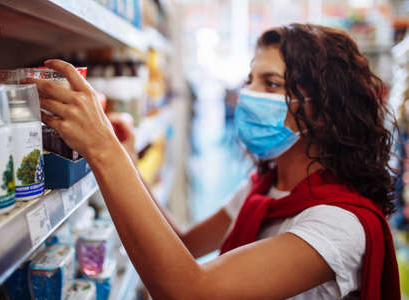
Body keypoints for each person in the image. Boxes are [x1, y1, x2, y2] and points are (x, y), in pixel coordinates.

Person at [25, 23, 400, 299]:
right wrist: (126, 158)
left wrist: (103, 148)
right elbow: (183, 245)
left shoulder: (337, 224)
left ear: (325, 110)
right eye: (250, 79)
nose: (247, 95)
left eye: (270, 84)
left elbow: (190, 292)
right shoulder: (264, 190)